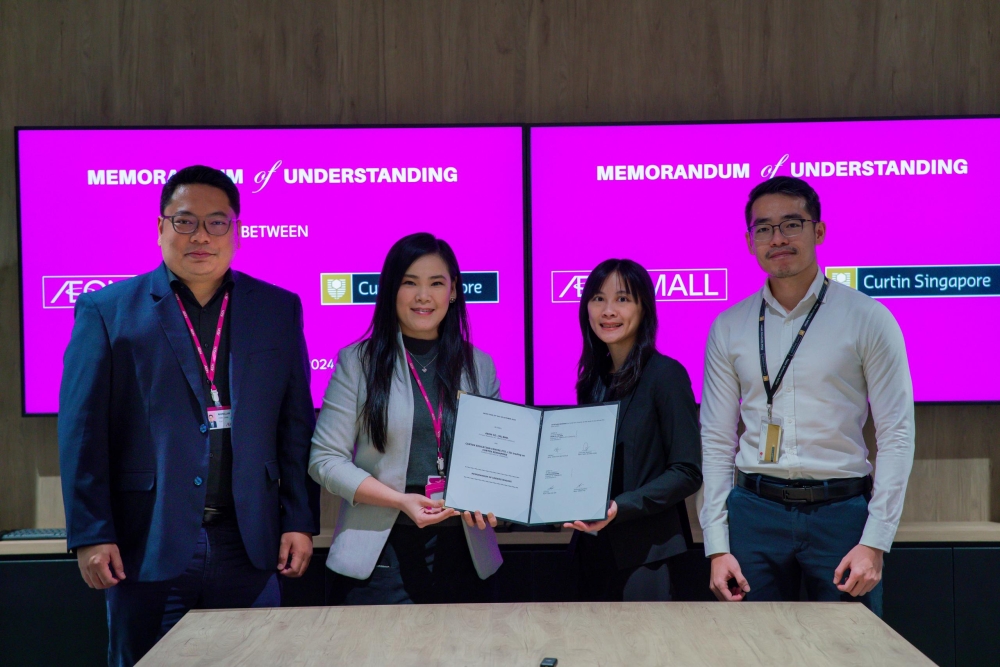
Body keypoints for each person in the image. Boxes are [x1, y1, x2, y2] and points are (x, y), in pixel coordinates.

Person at [58, 165, 320, 666]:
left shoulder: (277, 308)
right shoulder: (108, 310)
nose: (201, 235)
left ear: (237, 233)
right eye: (184, 221)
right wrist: (92, 533)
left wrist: (301, 520)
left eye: (217, 222)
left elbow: (294, 428)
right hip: (146, 544)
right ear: (160, 228)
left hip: (251, 543)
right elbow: (82, 433)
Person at [699, 176, 914, 615]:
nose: (777, 238)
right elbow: (717, 441)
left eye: (791, 224)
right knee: (752, 653)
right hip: (754, 515)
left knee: (850, 652)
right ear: (749, 241)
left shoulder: (868, 318)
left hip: (841, 515)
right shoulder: (729, 327)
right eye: (764, 228)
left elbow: (896, 432)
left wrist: (875, 541)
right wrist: (717, 546)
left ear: (818, 231)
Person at [310, 232, 502, 605]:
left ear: (454, 291)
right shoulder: (358, 362)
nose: (423, 296)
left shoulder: (479, 365)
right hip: (381, 551)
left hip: (465, 549)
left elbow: (495, 457)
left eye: (436, 283)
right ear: (390, 290)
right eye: (409, 283)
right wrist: (399, 500)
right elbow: (324, 460)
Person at [565, 259, 702, 601]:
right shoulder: (592, 380)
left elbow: (687, 471)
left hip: (649, 555)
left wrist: (620, 507)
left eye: (623, 299)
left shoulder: (666, 375)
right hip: (591, 548)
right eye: (598, 298)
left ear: (644, 308)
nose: (608, 310)